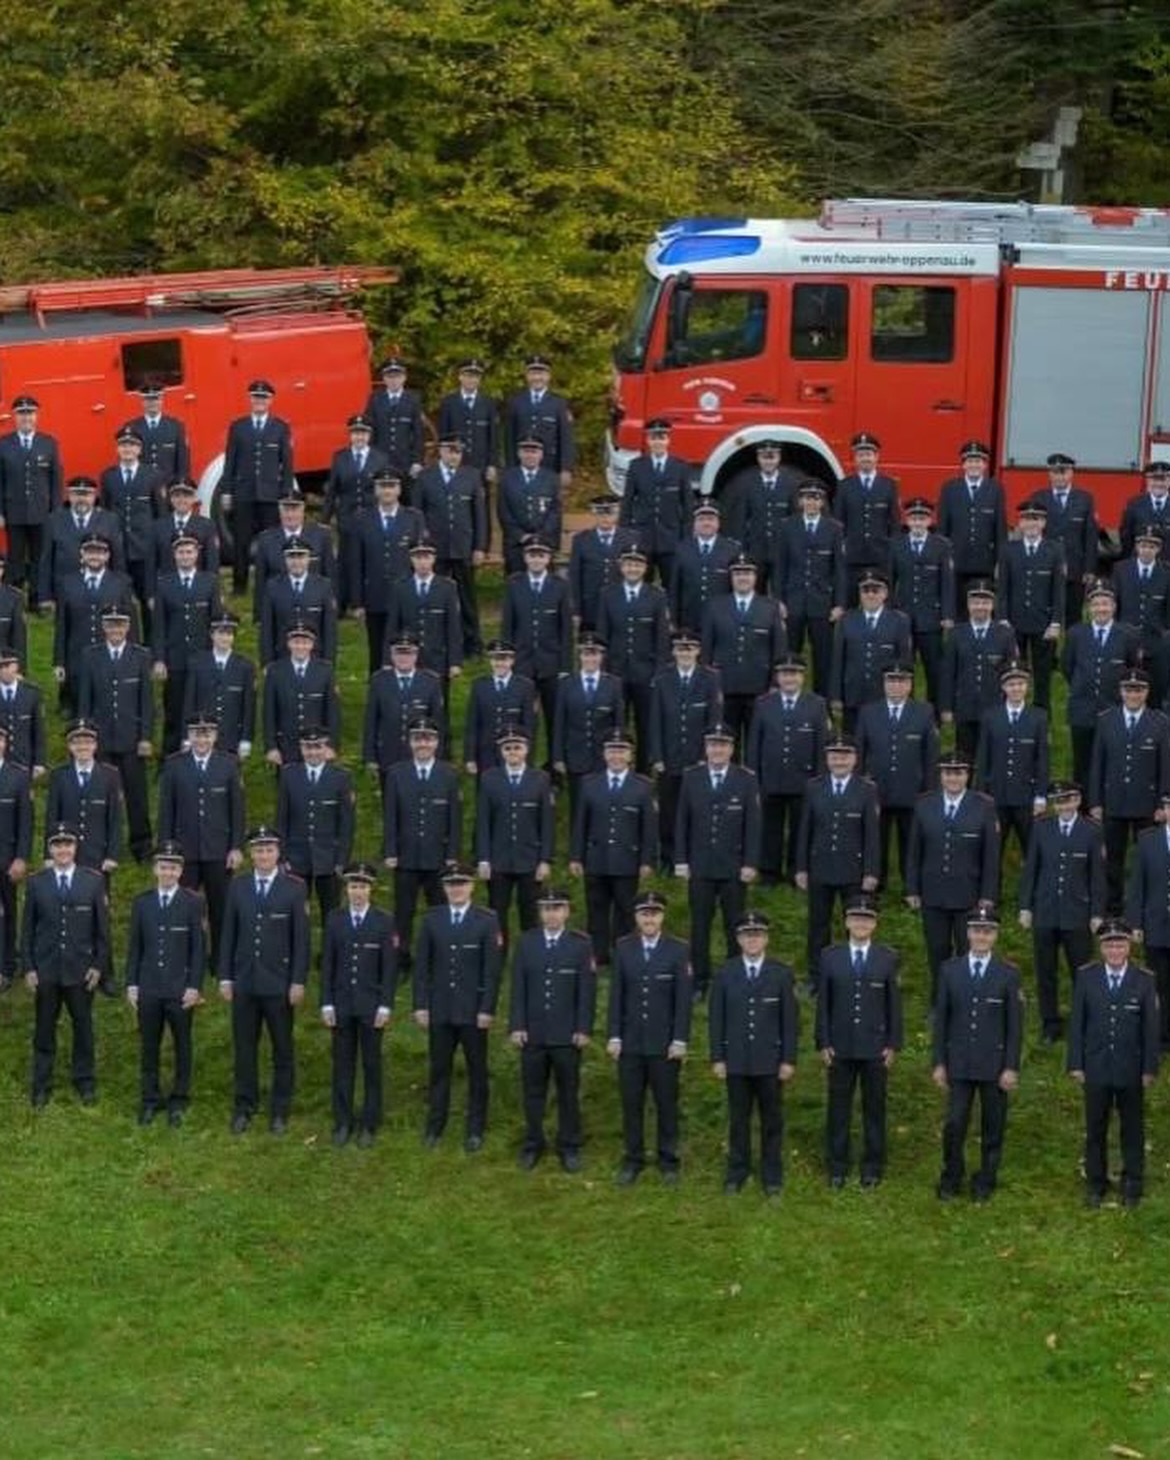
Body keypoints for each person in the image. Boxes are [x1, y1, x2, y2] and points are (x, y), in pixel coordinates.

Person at [219, 826, 310, 1135]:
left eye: (269, 850)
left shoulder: (294, 888)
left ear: (278, 852)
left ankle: (280, 1110)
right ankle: (245, 1104)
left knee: (282, 1048)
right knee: (245, 1048)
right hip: (245, 981)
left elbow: (301, 940)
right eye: (258, 850)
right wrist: (225, 977)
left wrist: (298, 980)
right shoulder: (238, 887)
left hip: (279, 982)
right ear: (251, 855)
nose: (264, 855)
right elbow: (228, 933)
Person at [932, 904, 1022, 1202]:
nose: (982, 936)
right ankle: (951, 1176)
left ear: (995, 936)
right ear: (968, 933)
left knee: (992, 1126)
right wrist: (939, 1062)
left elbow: (1014, 1026)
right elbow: (941, 1020)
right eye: (977, 931)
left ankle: (985, 1179)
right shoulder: (950, 970)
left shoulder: (1007, 974)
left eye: (988, 931)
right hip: (959, 1062)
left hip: (994, 1064)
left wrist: (1011, 1066)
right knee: (955, 1123)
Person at [1068, 920, 1160, 1208]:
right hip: (1095, 1066)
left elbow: (1150, 1029)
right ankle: (1096, 1183)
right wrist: (1076, 1063)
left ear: (1129, 947)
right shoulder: (1087, 976)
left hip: (1130, 1068)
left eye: (1120, 944)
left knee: (1132, 1128)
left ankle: (1132, 1182)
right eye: (1109, 945)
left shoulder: (1144, 979)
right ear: (1101, 948)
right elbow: (1077, 1024)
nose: (1115, 950)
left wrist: (1149, 1068)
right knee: (1096, 1127)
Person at [413, 864, 503, 1152]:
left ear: (472, 886)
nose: (456, 889)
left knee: (477, 1071)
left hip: (473, 1010)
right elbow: (422, 967)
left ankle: (475, 1128)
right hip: (440, 1008)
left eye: (461, 883)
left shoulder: (486, 920)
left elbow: (492, 970)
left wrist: (487, 1008)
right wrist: (421, 1005)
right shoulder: (432, 919)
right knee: (439, 1070)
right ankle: (435, 1126)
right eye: (451, 884)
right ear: (444, 888)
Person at [709, 909, 797, 1197]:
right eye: (747, 935)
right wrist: (718, 1058)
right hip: (735, 1060)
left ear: (766, 938)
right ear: (738, 939)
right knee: (738, 1120)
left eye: (757, 935)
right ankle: (738, 1170)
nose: (752, 940)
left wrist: (788, 1059)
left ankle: (772, 1175)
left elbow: (789, 1022)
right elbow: (716, 1019)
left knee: (772, 1120)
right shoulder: (725, 973)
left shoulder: (781, 974)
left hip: (770, 1061)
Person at [815, 897, 902, 1189]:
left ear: (875, 924)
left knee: (874, 1109)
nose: (861, 923)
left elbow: (893, 1005)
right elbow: (823, 1004)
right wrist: (823, 1041)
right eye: (856, 918)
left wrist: (893, 1043)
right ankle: (837, 1166)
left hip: (875, 1047)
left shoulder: (887, 957)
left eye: (867, 919)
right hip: (839, 1047)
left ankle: (873, 1166)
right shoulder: (830, 956)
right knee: (838, 1109)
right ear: (846, 922)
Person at [607, 890, 692, 1186]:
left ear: (662, 917)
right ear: (636, 917)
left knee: (667, 1103)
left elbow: (683, 1001)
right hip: (630, 1042)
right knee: (632, 1104)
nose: (649, 919)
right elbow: (617, 995)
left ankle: (668, 1159)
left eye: (654, 914)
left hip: (664, 1044)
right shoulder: (623, 948)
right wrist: (614, 1035)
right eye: (644, 914)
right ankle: (633, 1158)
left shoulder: (678, 950)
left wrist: (680, 1039)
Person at [508, 886, 596, 1172]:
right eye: (546, 908)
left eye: (557, 908)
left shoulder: (581, 944)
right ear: (540, 912)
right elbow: (518, 987)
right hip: (532, 1032)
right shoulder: (526, 942)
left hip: (566, 1033)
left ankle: (569, 1145)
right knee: (533, 1091)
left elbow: (586, 991)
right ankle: (533, 1142)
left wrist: (583, 1028)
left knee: (568, 1091)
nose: (552, 914)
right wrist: (517, 1024)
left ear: (567, 911)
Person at [23, 824, 110, 1107]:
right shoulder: (37, 882)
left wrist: (98, 965)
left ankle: (84, 1081)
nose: (63, 850)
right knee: (44, 1029)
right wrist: (29, 967)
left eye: (68, 844)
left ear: (75, 848)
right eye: (57, 845)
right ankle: (41, 1084)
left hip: (80, 970)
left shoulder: (92, 881)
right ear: (50, 849)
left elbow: (102, 931)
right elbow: (27, 931)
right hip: (47, 969)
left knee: (83, 1027)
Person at [674, 724, 761, 1001]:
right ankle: (700, 980)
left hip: (734, 867)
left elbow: (753, 825)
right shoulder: (692, 777)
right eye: (713, 744)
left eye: (723, 745)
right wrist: (680, 860)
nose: (717, 750)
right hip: (700, 866)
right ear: (706, 748)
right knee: (699, 926)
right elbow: (682, 822)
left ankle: (735, 978)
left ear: (732, 749)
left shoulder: (745, 779)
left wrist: (750, 862)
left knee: (735, 925)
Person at [906, 756, 1000, 1003]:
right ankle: (939, 1001)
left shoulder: (983, 805)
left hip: (969, 895)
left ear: (967, 775)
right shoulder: (925, 804)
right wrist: (912, 888)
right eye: (948, 773)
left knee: (967, 952)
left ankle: (967, 1001)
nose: (953, 778)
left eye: (958, 772)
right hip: (933, 893)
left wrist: (988, 896)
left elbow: (991, 856)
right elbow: (915, 850)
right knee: (937, 952)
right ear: (941, 775)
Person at [157, 710, 246, 970]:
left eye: (206, 734)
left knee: (221, 910)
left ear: (215, 735)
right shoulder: (174, 764)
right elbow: (166, 811)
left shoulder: (228, 764)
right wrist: (166, 850)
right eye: (197, 734)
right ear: (189, 735)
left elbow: (237, 810)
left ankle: (219, 961)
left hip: (219, 851)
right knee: (183, 910)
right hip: (184, 852)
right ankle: (184, 960)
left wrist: (237, 846)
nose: (202, 739)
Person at [125, 843, 206, 1127]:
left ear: (181, 871)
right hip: (149, 987)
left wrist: (194, 986)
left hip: (179, 988)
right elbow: (135, 947)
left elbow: (198, 949)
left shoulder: (193, 902)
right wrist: (132, 984)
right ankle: (150, 1098)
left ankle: (179, 1099)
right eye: (163, 866)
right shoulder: (142, 902)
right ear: (155, 869)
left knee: (182, 1045)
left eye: (173, 867)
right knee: (150, 1046)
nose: (168, 872)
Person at [320, 862, 398, 1148]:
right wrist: (326, 1003)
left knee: (371, 1064)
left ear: (371, 890)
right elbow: (328, 963)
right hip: (341, 1004)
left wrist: (385, 1005)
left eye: (363, 887)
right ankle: (343, 1121)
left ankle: (370, 1121)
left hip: (371, 1006)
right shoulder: (335, 919)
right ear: (346, 889)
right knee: (342, 1064)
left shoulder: (383, 921)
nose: (357, 892)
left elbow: (389, 968)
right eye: (353, 886)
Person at [795, 734, 880, 995]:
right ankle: (817, 978)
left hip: (853, 870)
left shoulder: (867, 789)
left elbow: (872, 834)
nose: (839, 760)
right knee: (817, 926)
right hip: (820, 867)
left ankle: (851, 977)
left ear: (854, 759)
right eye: (834, 756)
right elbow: (805, 830)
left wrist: (871, 871)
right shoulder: (814, 787)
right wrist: (801, 867)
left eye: (844, 756)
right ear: (827, 758)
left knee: (856, 926)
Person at [1022, 782, 1106, 1043]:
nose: (1064, 806)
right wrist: (1026, 906)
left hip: (1077, 912)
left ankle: (1085, 1022)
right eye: (1058, 801)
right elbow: (1031, 870)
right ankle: (1051, 1024)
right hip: (1045, 911)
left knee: (1082, 971)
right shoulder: (1041, 828)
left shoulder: (1091, 831)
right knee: (1045, 972)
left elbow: (1097, 877)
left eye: (1068, 800)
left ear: (1078, 800)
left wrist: (1096, 912)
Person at [569, 730, 657, 966]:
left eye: (622, 751)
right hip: (596, 858)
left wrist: (646, 860)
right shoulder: (589, 784)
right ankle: (598, 955)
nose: (616, 755)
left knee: (625, 910)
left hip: (627, 859)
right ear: (604, 754)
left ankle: (622, 954)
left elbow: (648, 828)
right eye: (612, 751)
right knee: (596, 908)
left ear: (630, 755)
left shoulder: (643, 786)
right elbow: (580, 823)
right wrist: (576, 856)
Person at [382, 719, 463, 965]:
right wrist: (390, 850)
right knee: (403, 912)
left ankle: (439, 957)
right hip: (405, 856)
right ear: (410, 742)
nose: (423, 744)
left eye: (428, 739)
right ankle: (401, 958)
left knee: (439, 911)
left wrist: (452, 854)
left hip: (437, 857)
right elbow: (391, 816)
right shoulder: (396, 773)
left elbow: (454, 818)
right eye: (418, 739)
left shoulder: (448, 774)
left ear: (437, 742)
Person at [1089, 668, 1170, 913]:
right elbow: (1097, 764)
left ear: (1147, 692)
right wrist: (1095, 802)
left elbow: (1165, 766)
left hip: (1147, 804)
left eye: (1139, 690)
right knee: (1112, 859)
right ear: (1121, 691)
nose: (1133, 695)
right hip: (1113, 802)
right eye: (1129, 689)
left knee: (1150, 859)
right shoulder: (1106, 719)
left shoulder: (1161, 723)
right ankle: (1114, 906)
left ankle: (1146, 905)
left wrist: (1163, 803)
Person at [77, 607, 154, 861]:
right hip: (101, 740)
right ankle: (103, 847)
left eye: (120, 625)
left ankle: (141, 846)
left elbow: (146, 702)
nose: (115, 630)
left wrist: (145, 737)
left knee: (137, 796)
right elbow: (85, 702)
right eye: (111, 625)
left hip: (132, 739)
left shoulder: (141, 656)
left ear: (128, 627)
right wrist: (87, 738)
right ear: (104, 628)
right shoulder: (90, 656)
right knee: (101, 796)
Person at [746, 654, 828, 887]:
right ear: (777, 677)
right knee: (769, 827)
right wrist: (754, 777)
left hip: (804, 779)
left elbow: (821, 745)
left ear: (803, 677)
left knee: (800, 829)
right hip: (771, 777)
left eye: (794, 674)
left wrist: (820, 780)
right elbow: (754, 744)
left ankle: (796, 871)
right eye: (784, 674)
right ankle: (769, 872)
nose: (789, 678)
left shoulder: (816, 704)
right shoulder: (763, 704)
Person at [855, 662, 939, 892]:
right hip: (876, 789)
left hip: (912, 789)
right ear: (884, 683)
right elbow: (860, 752)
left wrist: (930, 790)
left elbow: (930, 756)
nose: (895, 685)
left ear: (910, 684)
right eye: (891, 680)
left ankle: (910, 887)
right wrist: (859, 785)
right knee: (875, 840)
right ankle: (875, 884)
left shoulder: (924, 712)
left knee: (910, 843)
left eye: (901, 681)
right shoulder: (869, 711)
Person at [648, 629, 723, 870]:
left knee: (697, 810)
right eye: (680, 648)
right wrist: (657, 756)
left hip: (698, 758)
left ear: (698, 651)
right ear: (673, 651)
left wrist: (706, 756)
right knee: (668, 813)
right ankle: (669, 860)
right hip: (669, 757)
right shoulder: (662, 679)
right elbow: (655, 720)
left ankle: (694, 857)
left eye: (690, 648)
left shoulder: (710, 679)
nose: (685, 653)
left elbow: (714, 721)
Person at [474, 728, 554, 952]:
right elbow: (483, 821)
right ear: (501, 751)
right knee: (496, 910)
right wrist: (483, 858)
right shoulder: (489, 778)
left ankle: (532, 952)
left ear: (526, 750)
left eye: (517, 747)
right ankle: (498, 953)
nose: (513, 752)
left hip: (530, 858)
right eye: (507, 748)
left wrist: (545, 859)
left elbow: (546, 823)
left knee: (530, 911)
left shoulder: (540, 779)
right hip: (498, 859)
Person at [700, 551, 786, 755]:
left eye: (747, 573)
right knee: (727, 743)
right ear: (731, 577)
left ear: (755, 577)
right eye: (737, 573)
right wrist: (709, 683)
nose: (742, 577)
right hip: (724, 686)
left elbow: (779, 648)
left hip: (759, 688)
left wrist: (775, 683)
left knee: (757, 744)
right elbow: (706, 648)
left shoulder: (770, 607)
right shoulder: (715, 606)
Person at [596, 544, 671, 773]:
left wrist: (659, 671)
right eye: (628, 564)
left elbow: (661, 637)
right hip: (616, 671)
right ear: (621, 566)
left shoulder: (656, 596)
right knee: (614, 724)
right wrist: (604, 671)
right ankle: (613, 771)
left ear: (645, 568)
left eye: (637, 564)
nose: (633, 568)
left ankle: (642, 775)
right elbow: (602, 636)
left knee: (646, 726)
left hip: (645, 672)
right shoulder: (608, 594)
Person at [412, 434, 488, 657]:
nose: (454, 455)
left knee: (467, 598)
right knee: (436, 598)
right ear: (441, 451)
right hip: (435, 549)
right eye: (450, 450)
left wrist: (480, 547)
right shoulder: (426, 477)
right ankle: (437, 643)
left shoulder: (471, 476)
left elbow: (479, 515)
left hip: (463, 546)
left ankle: (472, 643)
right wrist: (421, 544)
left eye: (458, 451)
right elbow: (417, 513)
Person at [1061, 580, 1141, 790]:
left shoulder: (1128, 635)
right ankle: (1084, 808)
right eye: (1096, 604)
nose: (1101, 609)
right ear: (1089, 608)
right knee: (1083, 763)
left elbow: (1133, 669)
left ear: (1114, 606)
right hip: (1082, 708)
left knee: (1114, 760)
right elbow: (1067, 667)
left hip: (1113, 707)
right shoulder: (1075, 634)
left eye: (1105, 603)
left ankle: (1108, 806)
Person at [347, 470, 427, 673]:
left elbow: (421, 559)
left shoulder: (414, 518)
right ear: (375, 490)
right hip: (375, 596)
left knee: (408, 648)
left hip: (407, 596)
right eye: (382, 486)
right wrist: (357, 601)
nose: (387, 491)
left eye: (391, 486)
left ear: (399, 489)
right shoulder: (361, 519)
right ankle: (378, 695)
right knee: (377, 649)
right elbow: (355, 562)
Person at [501, 537, 572, 766]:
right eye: (532, 555)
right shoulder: (514, 584)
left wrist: (565, 666)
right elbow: (507, 626)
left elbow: (565, 630)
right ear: (525, 557)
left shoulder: (560, 586)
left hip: (551, 663)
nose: (536, 559)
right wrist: (507, 662)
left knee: (555, 718)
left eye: (541, 555)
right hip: (521, 663)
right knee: (523, 719)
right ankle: (524, 766)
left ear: (548, 558)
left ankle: (553, 768)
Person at [276, 727, 355, 926]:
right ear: (301, 748)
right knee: (294, 914)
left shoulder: (340, 777)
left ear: (325, 747)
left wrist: (342, 859)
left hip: (329, 857)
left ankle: (330, 956)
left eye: (317, 747)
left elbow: (346, 823)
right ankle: (297, 955)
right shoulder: (289, 775)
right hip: (296, 857)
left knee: (332, 913)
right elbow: (282, 819)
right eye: (307, 747)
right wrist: (282, 857)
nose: (312, 752)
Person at [974, 661, 1049, 871]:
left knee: (1032, 849)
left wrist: (1041, 796)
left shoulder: (1038, 716)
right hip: (996, 794)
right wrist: (981, 793)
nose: (1016, 689)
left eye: (1020, 684)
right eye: (1011, 684)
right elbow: (983, 757)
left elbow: (1041, 759)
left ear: (1027, 686)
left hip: (1026, 795)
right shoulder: (991, 716)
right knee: (992, 850)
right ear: (1003, 687)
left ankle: (1032, 900)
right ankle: (990, 899)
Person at [221, 380, 295, 591]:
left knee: (271, 541)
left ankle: (272, 582)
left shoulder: (280, 427)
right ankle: (239, 585)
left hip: (270, 494)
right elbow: (230, 462)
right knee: (241, 541)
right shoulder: (238, 427)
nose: (259, 401)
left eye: (263, 398)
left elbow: (287, 464)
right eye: (256, 397)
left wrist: (286, 494)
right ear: (250, 400)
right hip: (244, 492)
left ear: (270, 400)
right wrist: (227, 492)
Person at [152, 533, 222, 754]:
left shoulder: (209, 582)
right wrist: (159, 659)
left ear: (197, 553)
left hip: (202, 657)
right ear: (174, 555)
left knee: (202, 709)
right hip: (176, 659)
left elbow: (216, 622)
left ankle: (204, 755)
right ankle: (169, 757)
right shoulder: (164, 584)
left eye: (189, 551)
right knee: (173, 710)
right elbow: (159, 626)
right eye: (181, 552)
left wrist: (216, 655)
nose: (185, 556)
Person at [53, 535, 138, 715]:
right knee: (80, 713)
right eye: (90, 552)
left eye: (100, 552)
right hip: (77, 658)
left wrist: (133, 657)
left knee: (108, 710)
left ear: (107, 556)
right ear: (82, 554)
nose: (95, 556)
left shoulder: (121, 582)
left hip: (109, 657)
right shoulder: (67, 582)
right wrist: (59, 662)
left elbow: (132, 623)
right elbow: (62, 625)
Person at [776, 480, 846, 696]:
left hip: (821, 602)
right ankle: (786, 698)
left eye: (816, 498)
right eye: (807, 498)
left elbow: (839, 569)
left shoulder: (834, 528)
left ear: (822, 502)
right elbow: (780, 566)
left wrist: (839, 603)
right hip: (793, 601)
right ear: (800, 501)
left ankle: (822, 704)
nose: (811, 503)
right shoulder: (787, 526)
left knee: (823, 657)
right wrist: (778, 600)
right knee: (789, 654)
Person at [938, 579, 1018, 762]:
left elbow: (1011, 674)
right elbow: (948, 672)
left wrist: (1010, 703)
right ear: (968, 604)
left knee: (994, 756)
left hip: (995, 705)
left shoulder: (1005, 634)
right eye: (975, 602)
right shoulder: (957, 634)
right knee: (965, 757)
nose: (980, 607)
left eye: (985, 602)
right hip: (965, 706)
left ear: (992, 604)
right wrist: (946, 707)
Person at [996, 500, 1065, 710]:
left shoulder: (1055, 550)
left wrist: (1055, 622)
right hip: (1014, 622)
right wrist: (1003, 619)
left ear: (1043, 523)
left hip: (1043, 622)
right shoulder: (1009, 549)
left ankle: (1042, 714)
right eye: (1026, 519)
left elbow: (1058, 589)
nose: (1031, 524)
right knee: (1013, 670)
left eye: (1035, 519)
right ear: (1020, 523)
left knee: (1042, 673)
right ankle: (1012, 711)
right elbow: (1003, 588)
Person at [552, 634, 625, 830]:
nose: (590, 659)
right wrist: (558, 756)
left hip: (604, 757)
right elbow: (559, 722)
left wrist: (620, 755)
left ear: (601, 657)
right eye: (586, 654)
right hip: (575, 753)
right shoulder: (567, 684)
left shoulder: (614, 684)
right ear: (580, 656)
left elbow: (618, 724)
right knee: (578, 805)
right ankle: (578, 854)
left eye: (595, 655)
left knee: (603, 804)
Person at [889, 497, 955, 706]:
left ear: (929, 521)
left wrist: (947, 615)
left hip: (931, 618)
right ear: (907, 521)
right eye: (913, 519)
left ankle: (934, 711)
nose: (917, 523)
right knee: (903, 667)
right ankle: (904, 708)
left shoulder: (941, 546)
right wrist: (890, 612)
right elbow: (890, 582)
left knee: (933, 668)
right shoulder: (896, 545)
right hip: (903, 616)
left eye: (922, 519)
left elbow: (947, 583)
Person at [828, 570, 912, 733]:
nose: (870, 595)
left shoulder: (899, 621)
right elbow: (838, 660)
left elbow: (904, 661)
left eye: (876, 590)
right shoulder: (846, 620)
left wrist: (906, 694)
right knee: (853, 740)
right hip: (853, 694)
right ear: (859, 593)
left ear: (885, 593)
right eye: (865, 590)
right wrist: (836, 696)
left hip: (884, 695)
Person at [0, 394, 62, 609]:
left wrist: (56, 511)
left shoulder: (49, 443)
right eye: (21, 413)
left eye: (30, 413)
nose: (26, 417)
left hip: (41, 511)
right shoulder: (3, 444)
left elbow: (56, 480)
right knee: (15, 558)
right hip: (13, 511)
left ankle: (37, 599)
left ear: (36, 416)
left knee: (40, 557)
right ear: (14, 417)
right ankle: (14, 600)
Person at [44, 719, 123, 885]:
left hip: (98, 856)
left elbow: (114, 819)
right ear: (70, 746)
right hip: (64, 853)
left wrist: (112, 855)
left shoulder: (110, 776)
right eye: (77, 743)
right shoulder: (59, 776)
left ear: (95, 745)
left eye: (88, 742)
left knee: (99, 905)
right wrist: (47, 854)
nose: (83, 747)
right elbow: (52, 816)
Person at [385, 542, 463, 707]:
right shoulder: (401, 587)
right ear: (411, 559)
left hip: (437, 656)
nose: (422, 562)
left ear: (433, 559)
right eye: (418, 557)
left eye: (426, 557)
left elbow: (453, 627)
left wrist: (454, 661)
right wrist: (387, 659)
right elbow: (392, 626)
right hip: (407, 656)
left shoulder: (447, 587)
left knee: (439, 703)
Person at [363, 633, 446, 786]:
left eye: (408, 653)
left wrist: (439, 756)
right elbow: (371, 721)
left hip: (421, 754)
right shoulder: (379, 681)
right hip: (388, 754)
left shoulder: (430, 682)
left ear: (416, 655)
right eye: (399, 653)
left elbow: (438, 722)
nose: (403, 658)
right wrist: (370, 757)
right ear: (392, 655)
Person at [619, 418, 692, 586]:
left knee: (673, 585)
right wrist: (626, 535)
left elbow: (687, 504)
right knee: (641, 586)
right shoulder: (637, 466)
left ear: (668, 440)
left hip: (671, 538)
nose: (658, 442)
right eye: (654, 438)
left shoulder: (680, 467)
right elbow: (628, 502)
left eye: (661, 438)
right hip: (643, 537)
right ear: (648, 440)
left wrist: (686, 537)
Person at [937, 441, 1007, 613]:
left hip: (985, 562)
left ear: (984, 464)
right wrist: (943, 557)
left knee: (983, 605)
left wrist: (1000, 560)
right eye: (970, 461)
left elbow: (1000, 529)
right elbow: (943, 527)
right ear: (963, 464)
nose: (974, 465)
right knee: (959, 608)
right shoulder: (950, 488)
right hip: (957, 560)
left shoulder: (995, 489)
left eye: (978, 461)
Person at [261, 622, 342, 767]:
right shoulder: (275, 671)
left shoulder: (324, 671)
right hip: (286, 746)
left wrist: (331, 745)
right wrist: (271, 747)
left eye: (305, 643)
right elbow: (269, 713)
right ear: (289, 644)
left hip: (318, 746)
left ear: (312, 644)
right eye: (296, 642)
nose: (300, 647)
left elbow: (332, 712)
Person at [833, 431, 900, 604]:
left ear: (877, 456)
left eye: (869, 454)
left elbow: (894, 521)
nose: (865, 459)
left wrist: (892, 549)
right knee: (850, 602)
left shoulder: (888, 485)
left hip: (880, 554)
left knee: (881, 602)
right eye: (861, 455)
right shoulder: (845, 486)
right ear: (855, 458)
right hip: (853, 555)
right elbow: (838, 521)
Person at [38, 475, 125, 607]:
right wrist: (45, 595)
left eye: (87, 494)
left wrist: (121, 590)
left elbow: (118, 559)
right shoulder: (54, 520)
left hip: (101, 588)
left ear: (94, 496)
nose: (82, 499)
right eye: (77, 494)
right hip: (64, 589)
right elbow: (46, 559)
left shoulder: (109, 520)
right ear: (69, 495)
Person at [252, 488, 337, 622]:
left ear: (303, 509)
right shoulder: (266, 539)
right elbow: (261, 581)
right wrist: (259, 615)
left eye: (295, 509)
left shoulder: (321, 536)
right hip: (279, 611)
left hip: (313, 610)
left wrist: (331, 609)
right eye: (286, 509)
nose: (290, 515)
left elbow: (329, 575)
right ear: (279, 510)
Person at [1125, 797, 1170, 1049]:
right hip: (1156, 923)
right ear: (1164, 811)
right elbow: (1137, 885)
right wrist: (1135, 923)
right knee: (1159, 983)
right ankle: (1162, 1036)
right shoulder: (1148, 840)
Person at [180, 611, 256, 760]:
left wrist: (246, 739)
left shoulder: (245, 666)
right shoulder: (197, 663)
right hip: (201, 737)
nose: (224, 638)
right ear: (212, 635)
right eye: (220, 633)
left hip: (232, 737)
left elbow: (248, 707)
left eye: (229, 634)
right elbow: (189, 702)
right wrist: (186, 736)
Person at [1033, 452, 1097, 626]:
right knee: (1044, 613)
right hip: (1045, 566)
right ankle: (1047, 653)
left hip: (1075, 568)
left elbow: (1090, 536)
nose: (1059, 476)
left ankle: (1071, 651)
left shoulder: (1085, 499)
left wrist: (1089, 569)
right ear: (1049, 474)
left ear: (1071, 473)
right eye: (1055, 472)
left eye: (1063, 472)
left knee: (1073, 615)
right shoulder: (1038, 498)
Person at [462, 641, 536, 778]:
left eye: (504, 659)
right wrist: (470, 757)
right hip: (485, 754)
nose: (499, 664)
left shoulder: (525, 686)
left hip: (514, 754)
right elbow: (472, 724)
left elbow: (529, 725)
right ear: (490, 661)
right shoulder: (479, 686)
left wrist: (528, 757)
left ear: (512, 660)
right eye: (496, 659)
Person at [1113, 525, 1170, 705]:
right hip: (1125, 638)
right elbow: (1115, 603)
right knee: (1124, 688)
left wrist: (1164, 632)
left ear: (1159, 549)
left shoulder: (1166, 573)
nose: (1147, 550)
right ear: (1137, 546)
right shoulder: (1121, 569)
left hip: (1155, 642)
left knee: (1156, 691)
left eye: (1152, 546)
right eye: (1143, 545)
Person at [258, 539, 338, 666]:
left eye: (301, 556)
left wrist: (329, 661)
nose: (296, 562)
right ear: (285, 559)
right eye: (291, 557)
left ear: (308, 559)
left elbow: (329, 629)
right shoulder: (272, 586)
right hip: (282, 656)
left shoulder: (323, 586)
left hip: (315, 656)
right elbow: (267, 628)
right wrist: (267, 661)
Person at [568, 493, 637, 632]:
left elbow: (636, 574)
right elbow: (575, 576)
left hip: (621, 603)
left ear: (618, 514)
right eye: (601, 514)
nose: (605, 518)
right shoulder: (581, 540)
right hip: (591, 606)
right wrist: (576, 610)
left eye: (610, 513)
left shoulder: (630, 538)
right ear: (594, 514)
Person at [738, 438, 800, 589]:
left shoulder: (791, 484)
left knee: (780, 592)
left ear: (779, 458)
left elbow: (795, 519)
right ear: (758, 458)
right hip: (756, 550)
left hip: (781, 550)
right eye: (764, 458)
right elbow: (741, 518)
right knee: (756, 592)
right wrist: (743, 548)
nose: (768, 462)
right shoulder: (748, 484)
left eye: (772, 457)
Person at [503, 354, 576, 485]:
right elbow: (509, 438)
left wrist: (566, 468)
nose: (537, 378)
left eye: (541, 373)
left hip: (550, 465)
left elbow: (566, 438)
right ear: (526, 375)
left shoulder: (559, 403)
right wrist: (510, 466)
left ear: (548, 376)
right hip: (521, 465)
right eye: (533, 373)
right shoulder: (515, 402)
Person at [669, 500, 738, 635]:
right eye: (701, 519)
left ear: (718, 522)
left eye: (711, 519)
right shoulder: (682, 549)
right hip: (689, 621)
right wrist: (673, 619)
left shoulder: (732, 550)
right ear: (695, 523)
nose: (706, 523)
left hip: (722, 619)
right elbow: (675, 588)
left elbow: (734, 589)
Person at [437, 358, 500, 502]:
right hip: (456, 463)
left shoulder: (488, 403)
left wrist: (492, 464)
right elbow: (444, 436)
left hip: (481, 465)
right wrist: (446, 461)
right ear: (460, 376)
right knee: (457, 502)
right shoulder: (449, 403)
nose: (471, 379)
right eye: (468, 375)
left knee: (482, 504)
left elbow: (493, 437)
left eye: (475, 376)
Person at [0, 725, 34, 985]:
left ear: (5, 743)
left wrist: (21, 857)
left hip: (6, 858)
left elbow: (25, 823)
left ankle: (7, 964)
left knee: (8, 912)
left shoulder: (18, 776)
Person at [497, 436, 560, 575]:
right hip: (516, 543)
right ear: (519, 453)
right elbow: (503, 511)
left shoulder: (551, 478)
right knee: (516, 584)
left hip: (544, 542)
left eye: (534, 451)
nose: (530, 455)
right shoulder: (507, 478)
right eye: (526, 451)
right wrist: (520, 535)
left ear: (541, 454)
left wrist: (541, 535)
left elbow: (555, 511)